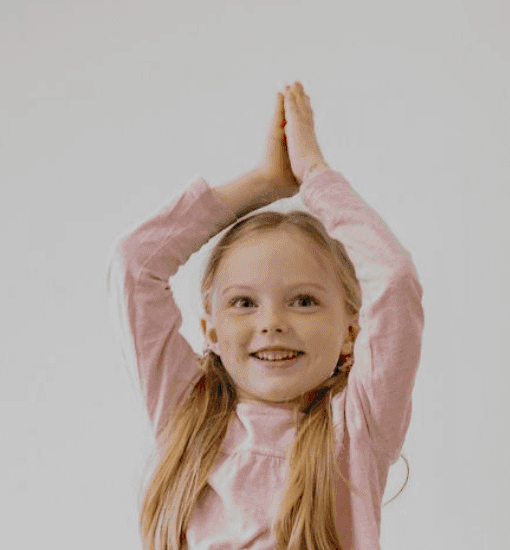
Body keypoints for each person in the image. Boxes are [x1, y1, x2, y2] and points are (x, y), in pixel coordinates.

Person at [118, 83, 423, 550]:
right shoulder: (185, 411)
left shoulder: (356, 430)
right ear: (211, 331)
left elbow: (395, 278)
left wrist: (316, 177)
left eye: (303, 301)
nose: (272, 322)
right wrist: (263, 183)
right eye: (244, 302)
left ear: (351, 332)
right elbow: (134, 265)